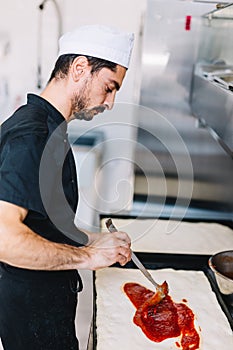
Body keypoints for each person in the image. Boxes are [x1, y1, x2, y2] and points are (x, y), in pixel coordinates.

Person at [0, 25, 134, 350]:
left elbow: (43, 223)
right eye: (109, 87)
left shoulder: (51, 130)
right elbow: (4, 238)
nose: (111, 102)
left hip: (47, 308)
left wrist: (93, 238)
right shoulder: (32, 137)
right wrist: (87, 256)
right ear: (79, 69)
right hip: (32, 318)